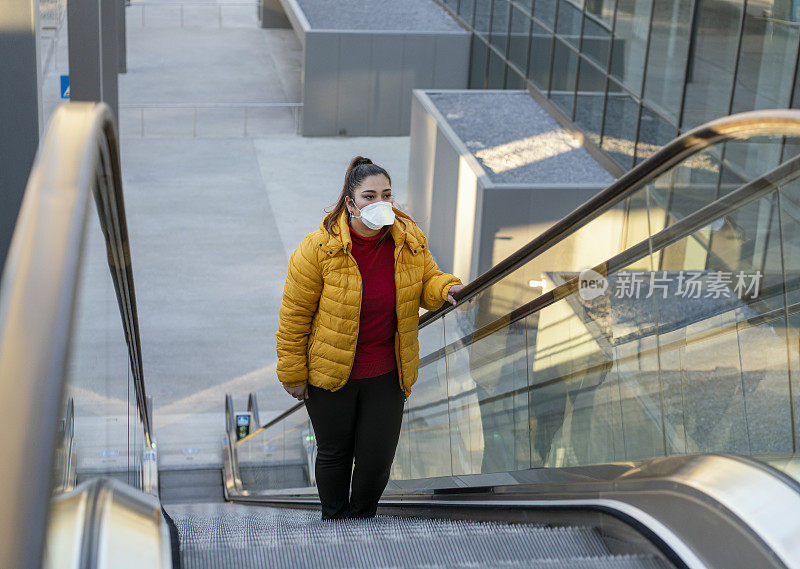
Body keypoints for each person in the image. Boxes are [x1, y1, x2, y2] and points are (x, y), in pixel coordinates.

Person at [276, 156, 464, 519]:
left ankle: (362, 520)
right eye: (369, 196)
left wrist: (446, 287)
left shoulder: (408, 240)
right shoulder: (317, 250)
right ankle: (334, 518)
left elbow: (426, 281)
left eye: (387, 194)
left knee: (377, 458)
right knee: (335, 453)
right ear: (350, 203)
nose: (380, 203)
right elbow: (294, 316)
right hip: (331, 373)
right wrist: (293, 373)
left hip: (387, 373)